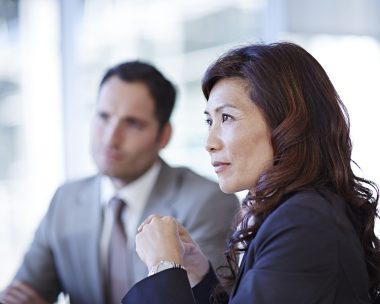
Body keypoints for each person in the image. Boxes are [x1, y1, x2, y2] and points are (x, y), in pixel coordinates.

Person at [123, 42, 380, 304]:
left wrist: (164, 268)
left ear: (288, 123)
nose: (209, 142)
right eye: (210, 121)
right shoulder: (297, 211)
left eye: (227, 118)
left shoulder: (304, 221)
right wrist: (198, 273)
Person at [0, 61, 239, 304]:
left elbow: (203, 302)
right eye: (103, 116)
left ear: (164, 136)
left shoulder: (208, 201)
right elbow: (21, 295)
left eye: (132, 123)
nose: (111, 138)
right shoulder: (66, 200)